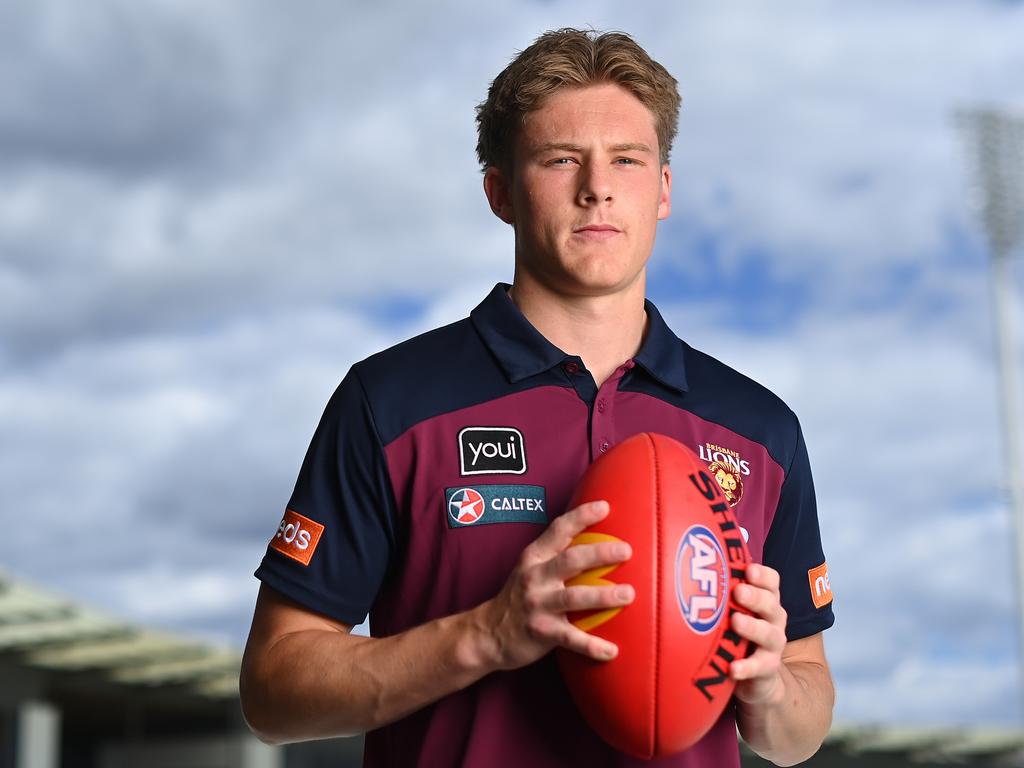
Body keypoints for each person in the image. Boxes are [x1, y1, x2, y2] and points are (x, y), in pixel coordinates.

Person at [240, 28, 835, 767]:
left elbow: (803, 722)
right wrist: (483, 635)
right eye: (561, 160)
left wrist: (770, 686)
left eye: (627, 159)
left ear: (664, 190)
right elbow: (272, 689)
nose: (598, 186)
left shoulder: (758, 428)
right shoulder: (390, 401)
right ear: (501, 193)